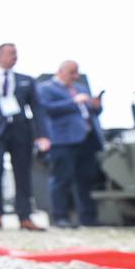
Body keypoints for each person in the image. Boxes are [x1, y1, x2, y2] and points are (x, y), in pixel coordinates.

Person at [0, 43, 51, 231]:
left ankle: (25, 216)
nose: (14, 57)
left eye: (16, 54)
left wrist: (42, 135)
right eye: (11, 53)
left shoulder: (26, 80)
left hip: (20, 132)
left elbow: (37, 108)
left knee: (22, 173)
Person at [37, 60, 104, 228]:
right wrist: (74, 101)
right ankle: (60, 217)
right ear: (61, 71)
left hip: (87, 139)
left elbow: (92, 112)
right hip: (63, 140)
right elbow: (46, 109)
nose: (76, 76)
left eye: (77, 72)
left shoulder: (81, 88)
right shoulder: (46, 88)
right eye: (72, 72)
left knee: (86, 179)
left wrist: (97, 106)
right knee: (62, 179)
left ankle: (88, 217)